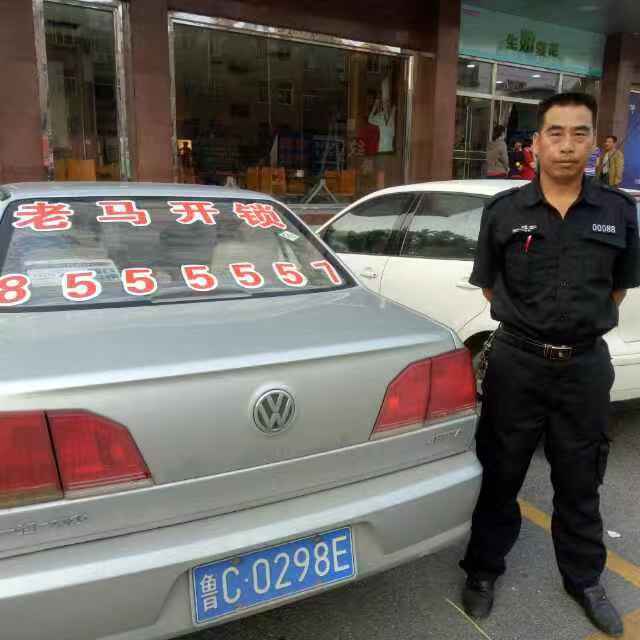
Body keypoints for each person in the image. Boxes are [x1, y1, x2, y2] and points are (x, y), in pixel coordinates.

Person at [460, 92, 639, 638]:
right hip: (517, 363)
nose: (566, 145)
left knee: (581, 478)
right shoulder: (504, 212)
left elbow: (617, 290)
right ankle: (483, 570)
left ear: (594, 143)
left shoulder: (618, 212)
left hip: (585, 368)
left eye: (579, 133)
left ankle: (584, 580)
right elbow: (490, 287)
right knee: (500, 472)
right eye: (555, 133)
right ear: (536, 143)